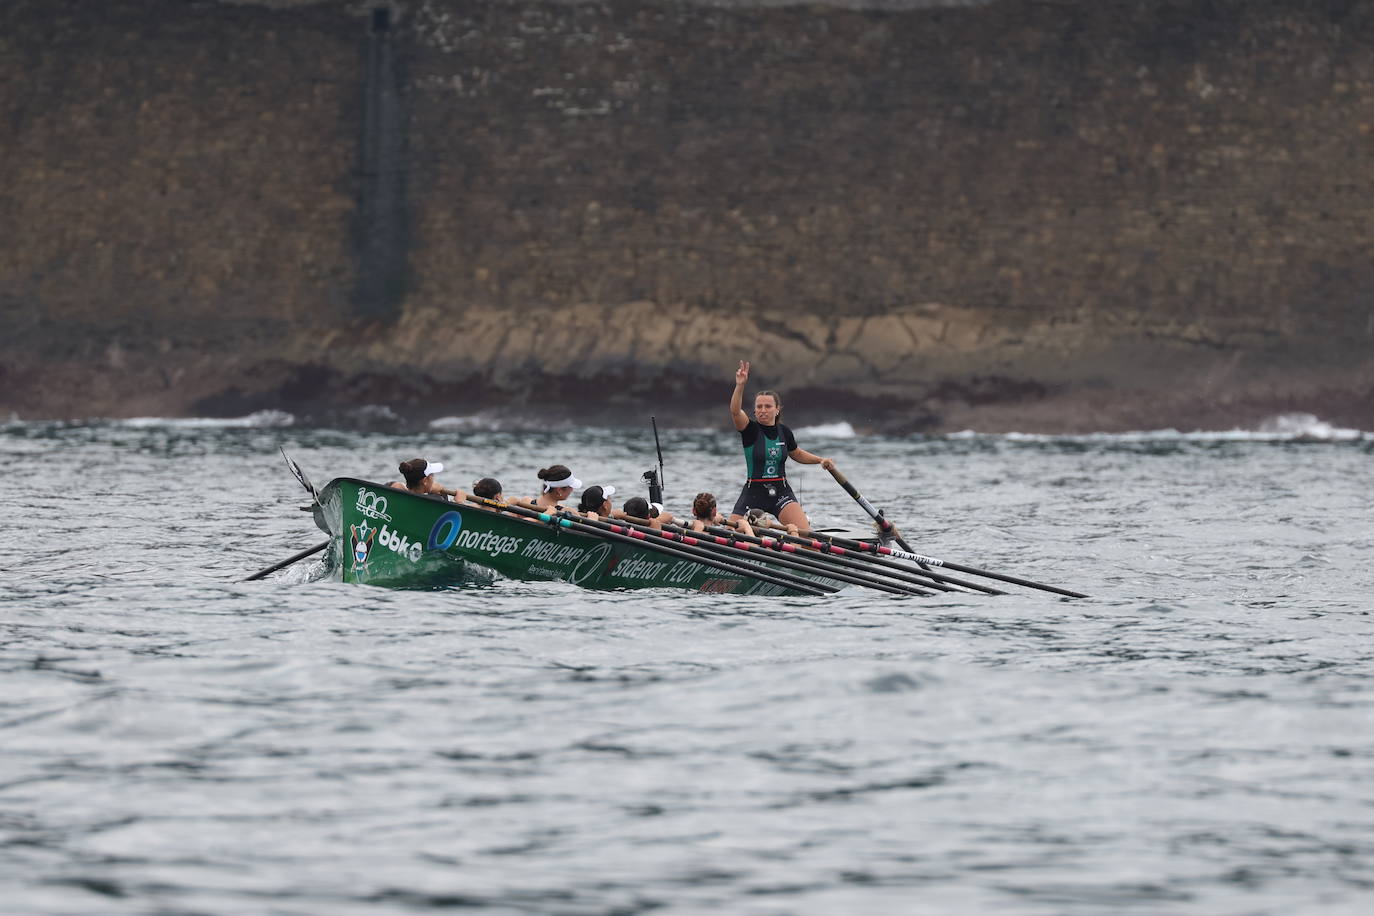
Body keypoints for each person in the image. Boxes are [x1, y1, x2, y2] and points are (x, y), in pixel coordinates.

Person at [727, 360, 833, 533]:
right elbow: (735, 411)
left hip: (781, 492)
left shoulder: (784, 432)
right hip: (753, 492)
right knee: (732, 536)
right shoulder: (750, 430)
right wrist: (740, 385)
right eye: (759, 406)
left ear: (777, 410)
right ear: (754, 411)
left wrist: (820, 460)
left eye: (767, 406)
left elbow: (797, 453)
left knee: (807, 538)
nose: (762, 410)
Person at [389, 458, 465, 500]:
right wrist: (459, 502)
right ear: (425, 481)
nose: (433, 479)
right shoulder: (436, 500)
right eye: (432, 475)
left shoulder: (399, 495)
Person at [690, 492, 755, 537]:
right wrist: (747, 527)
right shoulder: (724, 535)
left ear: (693, 511)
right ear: (714, 511)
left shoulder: (683, 532)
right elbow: (753, 549)